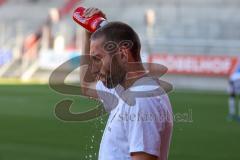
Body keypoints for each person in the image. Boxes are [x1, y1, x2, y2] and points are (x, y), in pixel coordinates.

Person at [78, 7, 173, 160]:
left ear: (122, 53)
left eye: (97, 59)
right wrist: (89, 32)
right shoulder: (123, 89)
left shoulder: (142, 100)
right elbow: (86, 86)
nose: (94, 69)